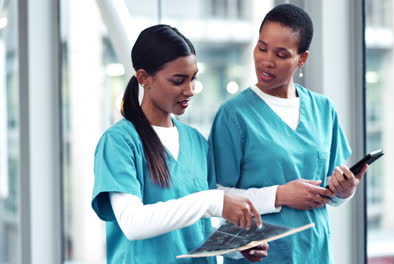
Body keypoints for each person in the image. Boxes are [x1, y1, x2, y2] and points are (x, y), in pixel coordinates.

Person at [91, 24, 268, 264]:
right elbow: (133, 223)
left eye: (193, 78)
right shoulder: (119, 142)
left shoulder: (196, 141)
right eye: (178, 80)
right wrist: (212, 202)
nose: (190, 90)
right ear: (144, 78)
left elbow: (200, 226)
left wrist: (236, 245)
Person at [208, 4, 368, 264]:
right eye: (262, 48)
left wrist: (345, 190)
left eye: (281, 54)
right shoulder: (233, 115)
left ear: (301, 59)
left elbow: (328, 191)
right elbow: (217, 196)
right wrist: (279, 195)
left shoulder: (323, 109)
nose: (267, 61)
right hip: (259, 254)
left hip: (314, 250)